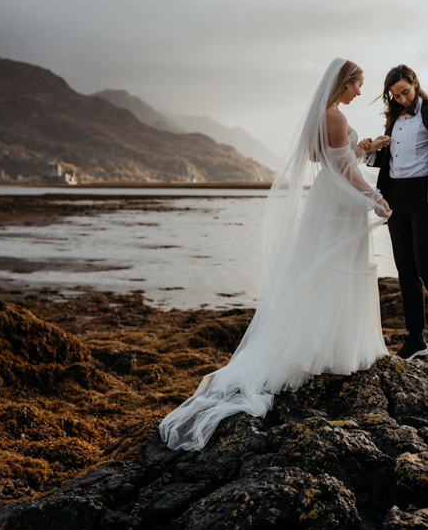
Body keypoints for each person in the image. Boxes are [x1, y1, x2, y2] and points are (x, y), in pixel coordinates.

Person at [159, 58, 392, 451]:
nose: (359, 92)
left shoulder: (325, 115)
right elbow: (344, 172)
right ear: (344, 82)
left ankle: (325, 343)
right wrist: (374, 196)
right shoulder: (333, 116)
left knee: (325, 268)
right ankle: (329, 350)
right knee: (335, 267)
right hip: (338, 204)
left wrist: (365, 146)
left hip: (328, 201)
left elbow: (330, 160)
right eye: (357, 85)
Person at [360, 64, 428, 361]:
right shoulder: (394, 119)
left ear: (415, 83)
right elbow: (390, 160)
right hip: (396, 199)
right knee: (406, 271)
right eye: (395, 96)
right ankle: (416, 340)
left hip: (427, 198)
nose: (401, 100)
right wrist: (369, 150)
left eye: (405, 92)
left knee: (427, 266)